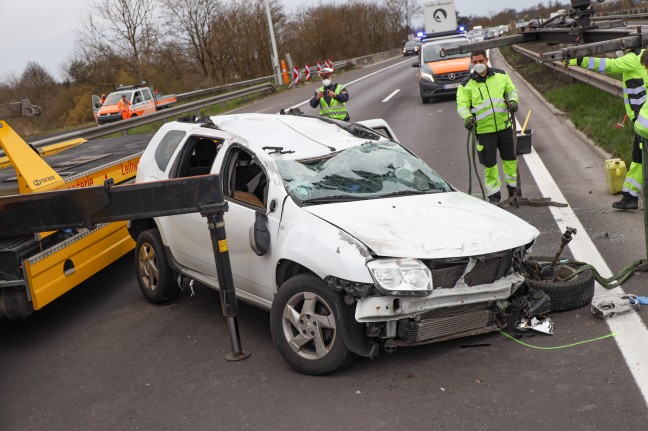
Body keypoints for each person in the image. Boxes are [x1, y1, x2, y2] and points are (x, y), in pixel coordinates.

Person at [566, 49, 647, 210]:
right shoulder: (641, 56)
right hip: (641, 120)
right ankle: (630, 196)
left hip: (642, 121)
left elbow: (608, 65)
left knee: (639, 159)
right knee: (638, 160)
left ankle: (630, 197)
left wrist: (577, 60)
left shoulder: (633, 59)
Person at [456, 50, 519, 205]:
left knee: (510, 160)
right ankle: (494, 197)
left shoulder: (501, 75)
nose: (478, 65)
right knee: (489, 165)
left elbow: (511, 91)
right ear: (472, 63)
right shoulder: (465, 85)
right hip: (484, 132)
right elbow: (462, 105)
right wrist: (467, 118)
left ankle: (513, 192)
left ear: (486, 60)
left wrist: (514, 102)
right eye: (475, 62)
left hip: (504, 127)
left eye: (481, 61)